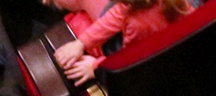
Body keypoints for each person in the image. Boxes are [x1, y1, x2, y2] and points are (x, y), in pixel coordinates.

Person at [52, 0, 193, 87]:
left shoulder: (138, 25)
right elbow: (118, 13)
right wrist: (81, 42)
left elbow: (131, 66)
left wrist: (96, 67)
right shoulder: (145, 3)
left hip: (167, 75)